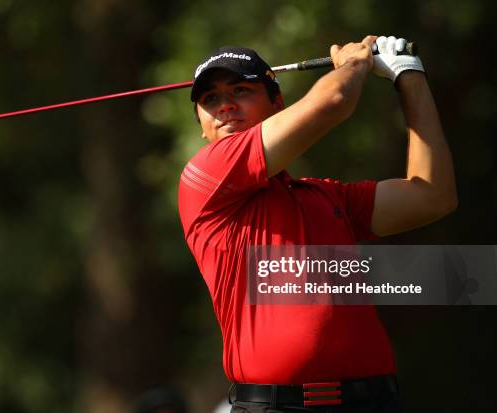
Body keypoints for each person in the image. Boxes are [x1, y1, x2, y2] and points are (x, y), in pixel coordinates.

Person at [177, 35, 457, 412]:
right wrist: (353, 64)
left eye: (241, 90)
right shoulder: (205, 177)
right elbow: (334, 101)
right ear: (202, 126)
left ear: (277, 103)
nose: (224, 105)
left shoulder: (326, 196)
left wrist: (409, 75)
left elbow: (432, 196)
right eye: (209, 100)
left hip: (374, 402)